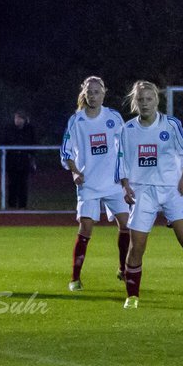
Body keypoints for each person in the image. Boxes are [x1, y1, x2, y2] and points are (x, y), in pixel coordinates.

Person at [117, 80, 183, 309]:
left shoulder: (171, 125)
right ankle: (132, 296)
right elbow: (121, 162)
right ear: (135, 103)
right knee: (137, 247)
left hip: (171, 190)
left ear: (157, 100)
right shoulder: (127, 130)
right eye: (141, 100)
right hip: (143, 192)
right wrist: (125, 186)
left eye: (149, 99)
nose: (145, 103)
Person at [59, 76, 131, 291]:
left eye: (97, 92)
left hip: (113, 182)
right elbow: (66, 151)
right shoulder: (76, 120)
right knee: (86, 229)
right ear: (85, 93)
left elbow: (125, 146)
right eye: (89, 92)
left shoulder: (114, 117)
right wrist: (74, 172)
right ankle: (75, 278)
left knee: (127, 225)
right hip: (88, 184)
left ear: (104, 93)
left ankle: (123, 269)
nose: (93, 95)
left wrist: (127, 178)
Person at [1, 109, 37, 208]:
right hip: (12, 160)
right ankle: (11, 205)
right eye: (16, 118)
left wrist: (32, 158)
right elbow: (4, 142)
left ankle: (22, 205)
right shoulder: (9, 129)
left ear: (24, 119)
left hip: (24, 160)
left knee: (23, 184)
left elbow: (33, 144)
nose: (17, 120)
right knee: (12, 183)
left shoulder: (29, 130)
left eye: (20, 118)